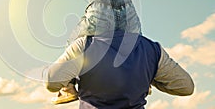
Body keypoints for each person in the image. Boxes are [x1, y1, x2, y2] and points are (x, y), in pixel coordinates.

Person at [45, 31, 195, 109]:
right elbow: (186, 87)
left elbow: (51, 82)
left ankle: (68, 86)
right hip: (143, 49)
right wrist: (148, 73)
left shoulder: (84, 45)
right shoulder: (150, 49)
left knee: (74, 39)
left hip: (85, 46)